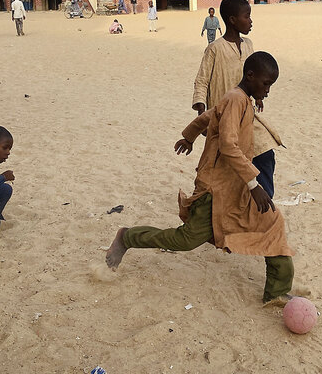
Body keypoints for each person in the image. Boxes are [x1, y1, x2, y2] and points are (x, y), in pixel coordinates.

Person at [106, 52, 295, 304]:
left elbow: (209, 116)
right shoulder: (236, 100)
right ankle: (127, 237)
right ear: (250, 76)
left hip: (235, 185)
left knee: (272, 222)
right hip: (216, 188)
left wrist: (190, 136)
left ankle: (277, 291)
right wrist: (254, 184)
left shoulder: (239, 99)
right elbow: (228, 145)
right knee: (186, 239)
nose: (268, 91)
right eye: (266, 83)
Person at [192, 0, 282, 197]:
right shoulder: (215, 49)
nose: (251, 21)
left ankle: (265, 204)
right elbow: (201, 81)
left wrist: (258, 97)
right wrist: (201, 112)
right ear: (232, 20)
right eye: (247, 16)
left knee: (264, 153)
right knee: (220, 164)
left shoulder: (249, 45)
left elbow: (255, 74)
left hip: (246, 115)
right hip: (223, 117)